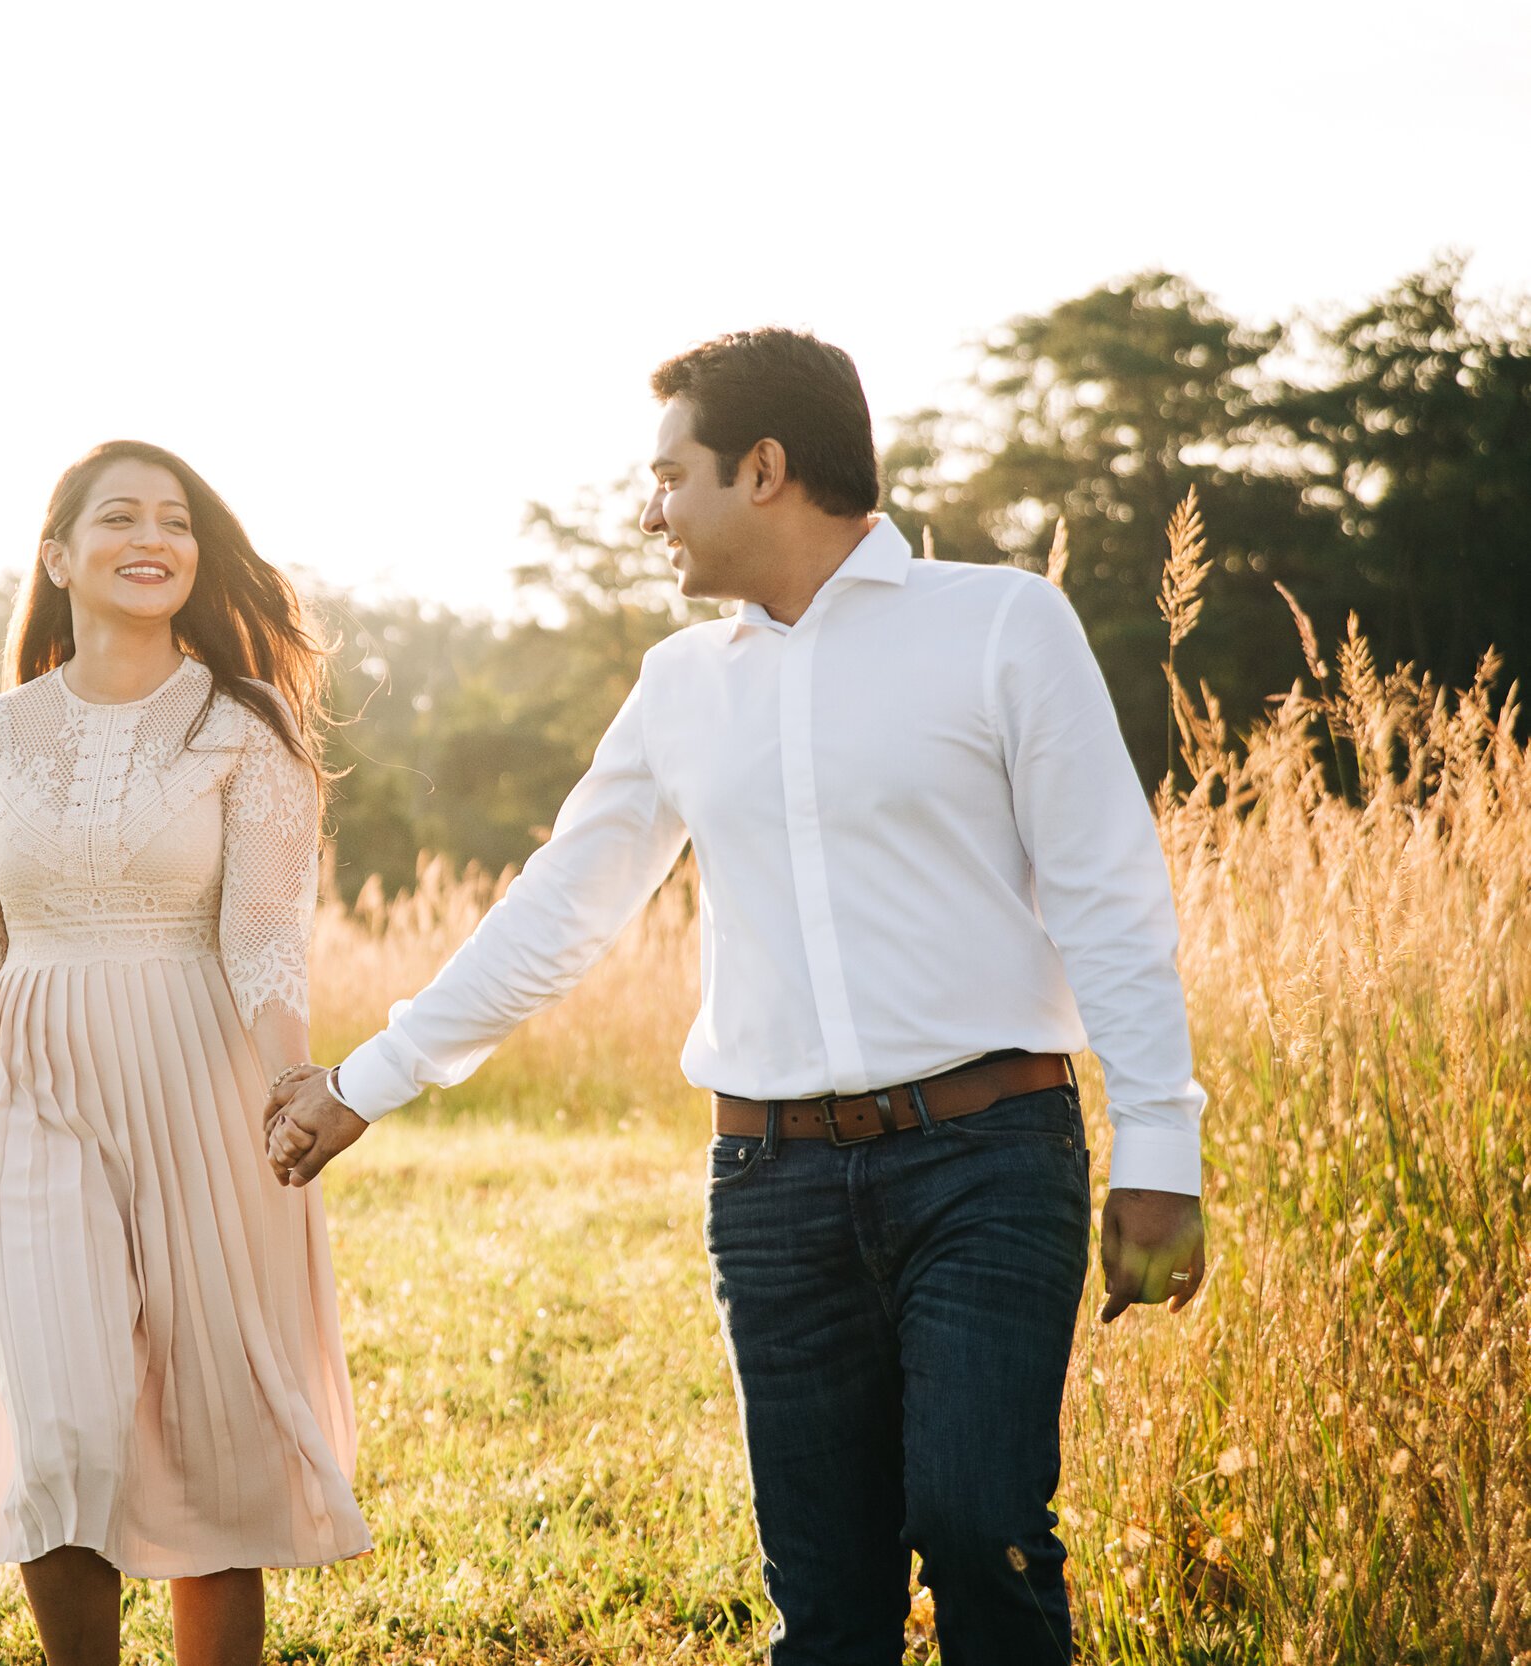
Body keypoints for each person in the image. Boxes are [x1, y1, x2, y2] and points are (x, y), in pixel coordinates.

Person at [264, 329, 1207, 1664]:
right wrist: (371, 1081)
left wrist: (1163, 1144)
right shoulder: (680, 685)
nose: (648, 509)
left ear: (763, 469)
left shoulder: (1001, 623)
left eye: (669, 475)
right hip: (770, 1190)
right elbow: (561, 907)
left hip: (988, 1159)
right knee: (826, 1602)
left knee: (980, 1520)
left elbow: (1111, 891)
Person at [0, 439, 371, 1666]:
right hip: (27, 1088)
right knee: (62, 1425)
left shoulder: (245, 724)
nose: (153, 537)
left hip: (204, 1084)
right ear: (57, 553)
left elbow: (266, 936)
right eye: (118, 515)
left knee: (210, 1429)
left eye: (175, 520)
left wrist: (291, 1087)